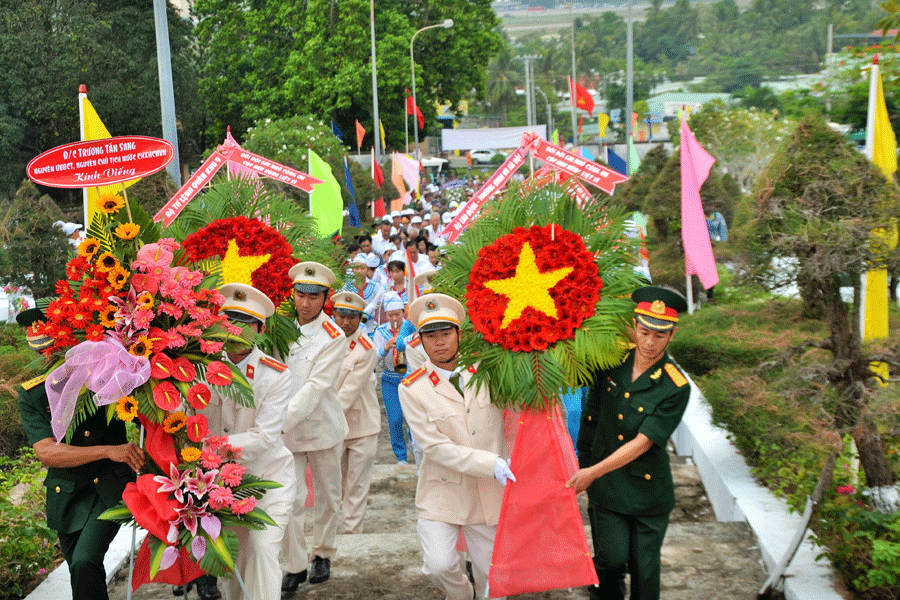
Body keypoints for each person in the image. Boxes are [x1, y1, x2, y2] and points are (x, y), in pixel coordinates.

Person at [566, 286, 691, 600]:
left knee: (645, 572)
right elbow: (589, 406)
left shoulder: (675, 385)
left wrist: (592, 471)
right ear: (634, 326)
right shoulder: (611, 362)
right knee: (612, 558)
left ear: (672, 335)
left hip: (648, 491)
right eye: (644, 331)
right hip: (608, 487)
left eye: (659, 335)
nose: (650, 342)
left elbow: (643, 442)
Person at [16, 306, 144, 600]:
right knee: (80, 571)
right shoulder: (33, 392)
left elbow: (143, 415)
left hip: (107, 489)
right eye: (42, 352)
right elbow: (47, 452)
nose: (47, 358)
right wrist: (109, 450)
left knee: (86, 561)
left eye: (53, 350)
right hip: (67, 495)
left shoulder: (104, 373)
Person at [398, 294, 514, 600]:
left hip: (489, 493)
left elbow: (518, 409)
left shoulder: (489, 372)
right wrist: (491, 463)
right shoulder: (412, 388)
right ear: (419, 340)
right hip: (442, 492)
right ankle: (463, 595)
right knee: (438, 564)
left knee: (493, 578)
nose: (439, 343)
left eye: (446, 333)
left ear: (459, 334)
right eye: (430, 336)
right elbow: (434, 447)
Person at [199, 283, 297, 600]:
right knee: (237, 562)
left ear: (261, 328)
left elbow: (265, 437)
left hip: (267, 479)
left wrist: (213, 446)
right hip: (220, 485)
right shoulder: (200, 368)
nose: (238, 330)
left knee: (263, 548)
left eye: (247, 323)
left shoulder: (275, 375)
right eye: (231, 320)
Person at [281, 262, 349, 592]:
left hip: (321, 426)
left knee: (328, 496)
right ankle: (294, 565)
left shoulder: (334, 337)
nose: (305, 303)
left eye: (314, 296)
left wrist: (277, 421)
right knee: (291, 498)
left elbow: (316, 386)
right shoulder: (278, 330)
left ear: (325, 298)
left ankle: (323, 552)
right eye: (300, 294)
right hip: (288, 432)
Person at [331, 292, 381, 533]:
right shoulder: (325, 342)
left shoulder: (366, 349)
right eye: (341, 315)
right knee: (335, 486)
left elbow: (347, 395)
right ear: (333, 314)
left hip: (362, 427)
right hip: (334, 428)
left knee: (356, 487)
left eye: (352, 317)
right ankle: (333, 536)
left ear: (361, 319)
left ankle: (350, 539)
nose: (345, 322)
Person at [343, 254, 384, 334]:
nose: (359, 271)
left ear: (367, 269)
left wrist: (365, 313)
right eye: (356, 268)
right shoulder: (347, 286)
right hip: (351, 326)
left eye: (362, 268)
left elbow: (377, 303)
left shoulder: (375, 286)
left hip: (370, 327)